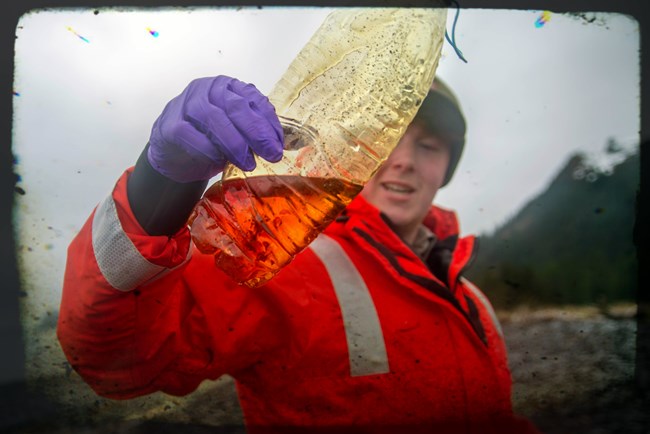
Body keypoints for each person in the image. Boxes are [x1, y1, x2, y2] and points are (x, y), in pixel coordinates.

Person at [57, 75, 539, 433]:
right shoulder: (282, 262)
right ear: (356, 152)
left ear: (446, 170)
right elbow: (114, 357)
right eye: (388, 138)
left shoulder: (472, 298)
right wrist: (158, 186)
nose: (406, 161)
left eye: (429, 146)